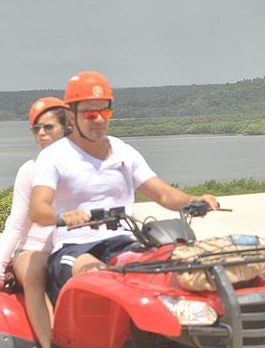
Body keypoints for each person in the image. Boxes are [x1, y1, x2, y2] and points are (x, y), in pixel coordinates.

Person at [29, 70, 219, 305]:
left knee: (169, 272)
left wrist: (194, 200)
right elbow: (37, 209)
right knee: (100, 278)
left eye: (105, 110)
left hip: (123, 242)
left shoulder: (123, 151)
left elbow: (162, 193)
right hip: (74, 248)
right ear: (71, 115)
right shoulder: (54, 156)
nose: (99, 119)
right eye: (90, 112)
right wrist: (63, 216)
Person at [0, 97, 70, 348]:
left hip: (69, 248)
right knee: (36, 271)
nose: (42, 134)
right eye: (37, 129)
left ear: (67, 128)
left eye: (48, 127)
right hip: (33, 250)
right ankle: (50, 343)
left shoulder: (82, 168)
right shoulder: (30, 171)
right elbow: (15, 223)